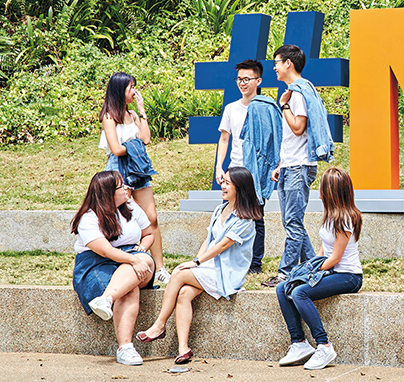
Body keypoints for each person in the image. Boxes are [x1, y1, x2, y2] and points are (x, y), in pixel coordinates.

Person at [136, 167, 263, 364]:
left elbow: (223, 245)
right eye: (223, 181)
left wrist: (196, 262)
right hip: (209, 268)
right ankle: (183, 348)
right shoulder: (220, 210)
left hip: (225, 273)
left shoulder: (245, 218)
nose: (223, 186)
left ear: (240, 187)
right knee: (184, 293)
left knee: (178, 273)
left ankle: (159, 325)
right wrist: (197, 262)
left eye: (228, 183)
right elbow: (209, 240)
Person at [262, 44, 335, 288]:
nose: (274, 67)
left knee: (293, 223)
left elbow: (298, 128)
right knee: (292, 222)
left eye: (276, 62)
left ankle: (285, 273)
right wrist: (281, 164)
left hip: (299, 166)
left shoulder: (298, 93)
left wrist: (284, 106)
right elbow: (292, 138)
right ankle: (315, 266)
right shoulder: (294, 92)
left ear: (288, 63)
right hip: (290, 165)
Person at [275, 167, 362, 370]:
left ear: (330, 191)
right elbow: (325, 249)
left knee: (300, 292)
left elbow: (336, 257)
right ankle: (299, 343)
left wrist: (312, 271)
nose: (319, 190)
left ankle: (324, 346)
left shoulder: (345, 219)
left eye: (322, 186)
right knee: (282, 288)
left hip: (348, 276)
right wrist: (310, 266)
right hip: (330, 270)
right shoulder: (331, 215)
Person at [71, 171, 157, 366]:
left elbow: (149, 234)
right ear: (108, 193)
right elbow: (105, 251)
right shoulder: (89, 217)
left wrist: (141, 249)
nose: (127, 188)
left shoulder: (131, 207)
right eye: (121, 186)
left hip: (131, 256)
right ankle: (125, 348)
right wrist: (134, 260)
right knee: (130, 288)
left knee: (144, 261)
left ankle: (106, 299)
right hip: (96, 262)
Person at [99, 72, 169, 284]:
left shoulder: (132, 115)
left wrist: (142, 111)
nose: (134, 91)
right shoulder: (109, 117)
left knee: (151, 217)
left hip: (138, 167)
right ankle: (120, 263)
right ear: (120, 90)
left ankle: (160, 267)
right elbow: (116, 149)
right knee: (121, 216)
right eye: (131, 87)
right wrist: (134, 144)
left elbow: (146, 139)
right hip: (119, 168)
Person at [214, 60, 281, 275]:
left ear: (258, 81)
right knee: (228, 214)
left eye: (247, 79)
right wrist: (219, 167)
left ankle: (255, 264)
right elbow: (224, 139)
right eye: (239, 79)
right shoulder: (231, 108)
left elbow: (276, 139)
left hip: (257, 172)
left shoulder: (266, 107)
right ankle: (226, 257)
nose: (242, 83)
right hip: (235, 170)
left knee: (256, 217)